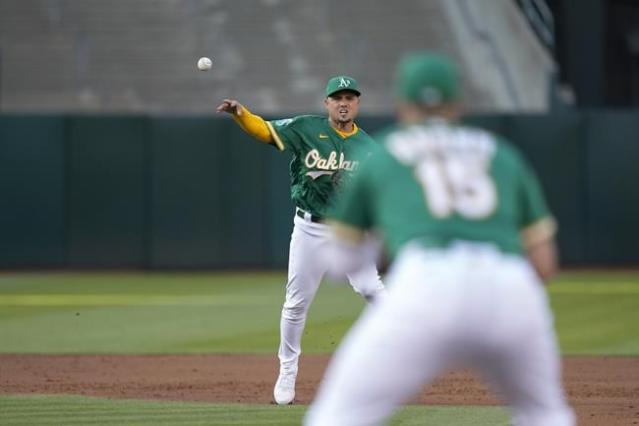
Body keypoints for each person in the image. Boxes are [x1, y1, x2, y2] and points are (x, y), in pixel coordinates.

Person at [305, 53, 575, 425]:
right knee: (544, 414)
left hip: (425, 285)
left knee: (337, 417)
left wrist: (384, 250)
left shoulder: (383, 153)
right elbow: (544, 263)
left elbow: (341, 262)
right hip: (509, 288)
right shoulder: (502, 154)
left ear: (401, 105)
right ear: (458, 105)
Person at [216, 76, 385, 406]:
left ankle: (413, 338)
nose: (343, 102)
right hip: (310, 228)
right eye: (337, 97)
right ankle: (288, 370)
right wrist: (241, 114)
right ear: (327, 104)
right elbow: (265, 131)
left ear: (357, 104)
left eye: (350, 97)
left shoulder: (369, 147)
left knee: (370, 288)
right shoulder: (307, 128)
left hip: (350, 231)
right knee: (296, 304)